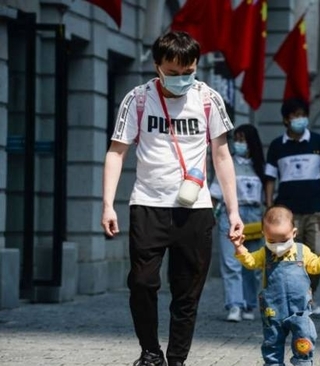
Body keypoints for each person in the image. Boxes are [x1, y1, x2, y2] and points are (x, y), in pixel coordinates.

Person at [101, 31, 243, 366]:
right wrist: (108, 204)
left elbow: (222, 156)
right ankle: (151, 352)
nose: (182, 79)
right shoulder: (137, 99)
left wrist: (233, 211)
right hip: (148, 204)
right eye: (173, 72)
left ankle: (176, 359)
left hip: (194, 210)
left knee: (186, 293)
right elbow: (116, 152)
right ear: (157, 66)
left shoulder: (208, 99)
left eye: (188, 72)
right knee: (141, 282)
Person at [230, 205, 320, 366]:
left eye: (284, 240)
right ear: (264, 235)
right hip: (273, 311)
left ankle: (303, 363)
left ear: (294, 233)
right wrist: (239, 247)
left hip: (300, 311)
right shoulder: (264, 253)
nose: (278, 245)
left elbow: (316, 266)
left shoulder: (302, 251)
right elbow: (251, 262)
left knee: (304, 341)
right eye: (272, 241)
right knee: (272, 344)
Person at [265, 97, 320, 317]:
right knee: (288, 258)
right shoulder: (277, 146)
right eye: (295, 116)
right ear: (286, 120)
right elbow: (270, 179)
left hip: (317, 210)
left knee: (318, 255)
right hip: (287, 214)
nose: (300, 119)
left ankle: (309, 294)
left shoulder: (319, 142)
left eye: (302, 115)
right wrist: (270, 207)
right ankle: (293, 299)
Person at [210, 124, 265, 322]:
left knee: (253, 264)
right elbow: (215, 193)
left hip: (255, 216)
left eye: (243, 139)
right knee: (231, 263)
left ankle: (250, 304)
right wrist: (209, 215)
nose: (239, 143)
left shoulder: (261, 167)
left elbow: (269, 196)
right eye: (237, 139)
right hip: (231, 214)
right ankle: (234, 305)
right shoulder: (228, 163)